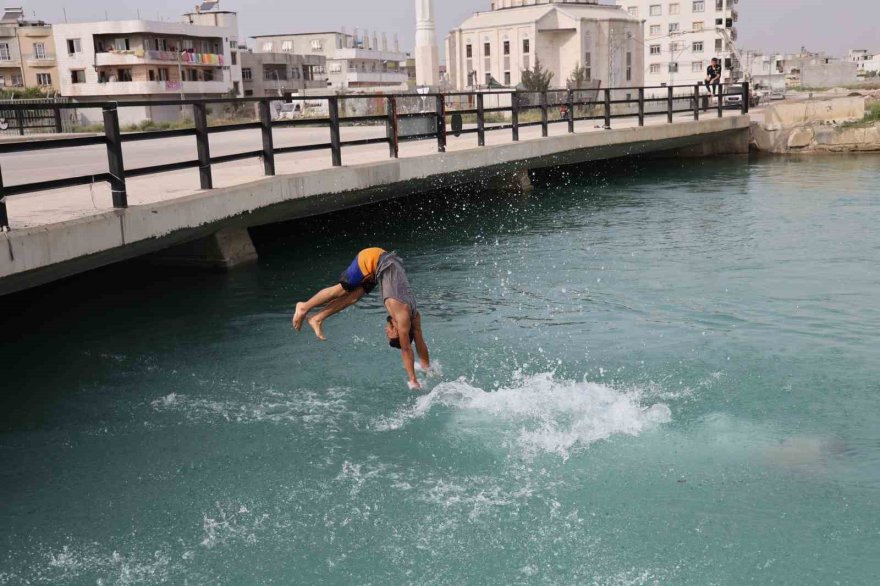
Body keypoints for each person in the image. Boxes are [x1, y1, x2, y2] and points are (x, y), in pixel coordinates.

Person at [292, 248, 430, 389]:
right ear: (398, 332)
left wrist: (426, 367)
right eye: (388, 334)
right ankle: (304, 307)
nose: (385, 330)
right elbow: (406, 348)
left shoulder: (414, 315)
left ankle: (317, 318)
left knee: (354, 297)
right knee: (340, 290)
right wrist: (412, 379)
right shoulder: (401, 316)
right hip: (373, 259)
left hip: (379, 269)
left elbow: (419, 340)